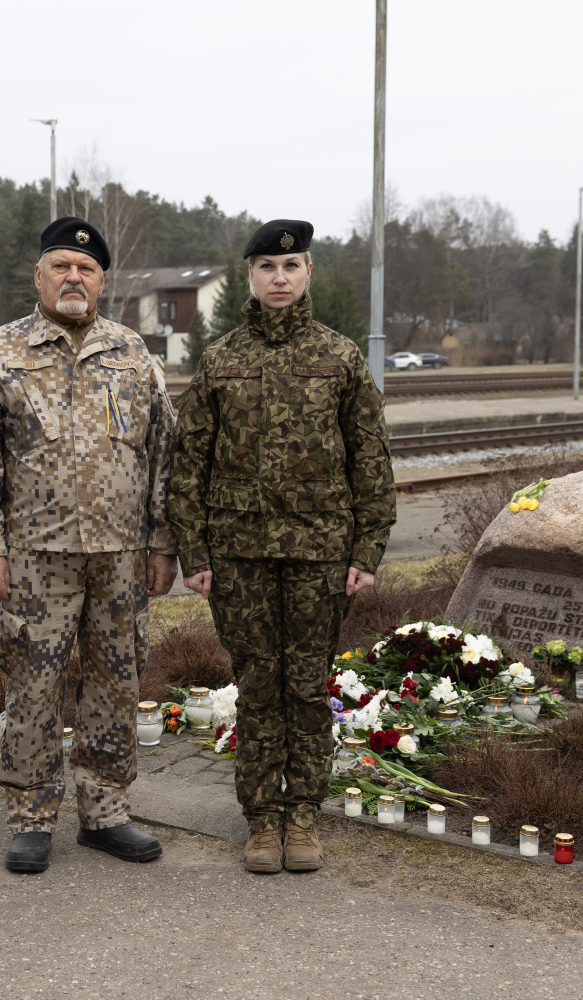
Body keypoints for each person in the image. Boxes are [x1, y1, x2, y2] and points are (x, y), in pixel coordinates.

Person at [165, 220, 395, 874]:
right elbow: (189, 464)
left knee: (306, 688)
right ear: (251, 275)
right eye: (267, 266)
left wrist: (367, 550)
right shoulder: (221, 360)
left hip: (321, 552)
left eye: (291, 266)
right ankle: (263, 820)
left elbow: (370, 458)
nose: (279, 277)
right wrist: (194, 554)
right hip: (239, 555)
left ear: (308, 272)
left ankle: (304, 818)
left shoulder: (340, 358)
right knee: (259, 687)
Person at [0, 217, 177, 874]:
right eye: (61, 266)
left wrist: (163, 543)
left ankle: (105, 811)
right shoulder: (3, 351)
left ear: (103, 281)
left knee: (116, 681)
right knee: (34, 685)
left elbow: (165, 455)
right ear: (39, 276)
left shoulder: (133, 353)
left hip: (121, 556)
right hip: (34, 556)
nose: (73, 278)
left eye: (86, 269)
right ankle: (31, 816)